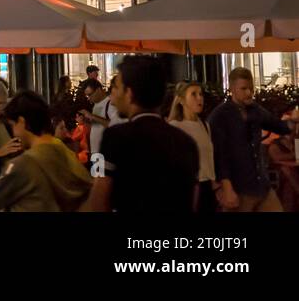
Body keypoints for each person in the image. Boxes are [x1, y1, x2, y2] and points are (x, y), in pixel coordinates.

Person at [85, 55, 199, 213]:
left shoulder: (116, 137)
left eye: (117, 88)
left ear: (129, 94)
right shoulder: (186, 142)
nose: (113, 97)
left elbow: (99, 201)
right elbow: (192, 199)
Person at [0, 91, 91, 212]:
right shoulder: (63, 151)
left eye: (13, 125)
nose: (14, 133)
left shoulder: (23, 164)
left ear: (21, 122)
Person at [208, 67, 298, 212]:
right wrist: (226, 187)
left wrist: (292, 121)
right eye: (243, 89)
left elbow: (279, 126)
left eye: (250, 88)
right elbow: (218, 155)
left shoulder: (254, 109)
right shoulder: (220, 116)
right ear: (232, 89)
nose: (249, 93)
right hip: (238, 187)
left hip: (261, 185)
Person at [168, 80, 216, 213]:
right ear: (182, 100)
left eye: (200, 94)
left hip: (207, 186)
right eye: (193, 94)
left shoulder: (205, 125)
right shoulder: (175, 127)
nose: (199, 98)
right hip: (188, 187)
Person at [83, 76, 125, 157]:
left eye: (90, 95)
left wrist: (92, 116)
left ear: (98, 90)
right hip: (95, 153)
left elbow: (115, 125)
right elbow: (96, 128)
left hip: (105, 154)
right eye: (87, 96)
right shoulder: (96, 105)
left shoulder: (111, 103)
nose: (89, 98)